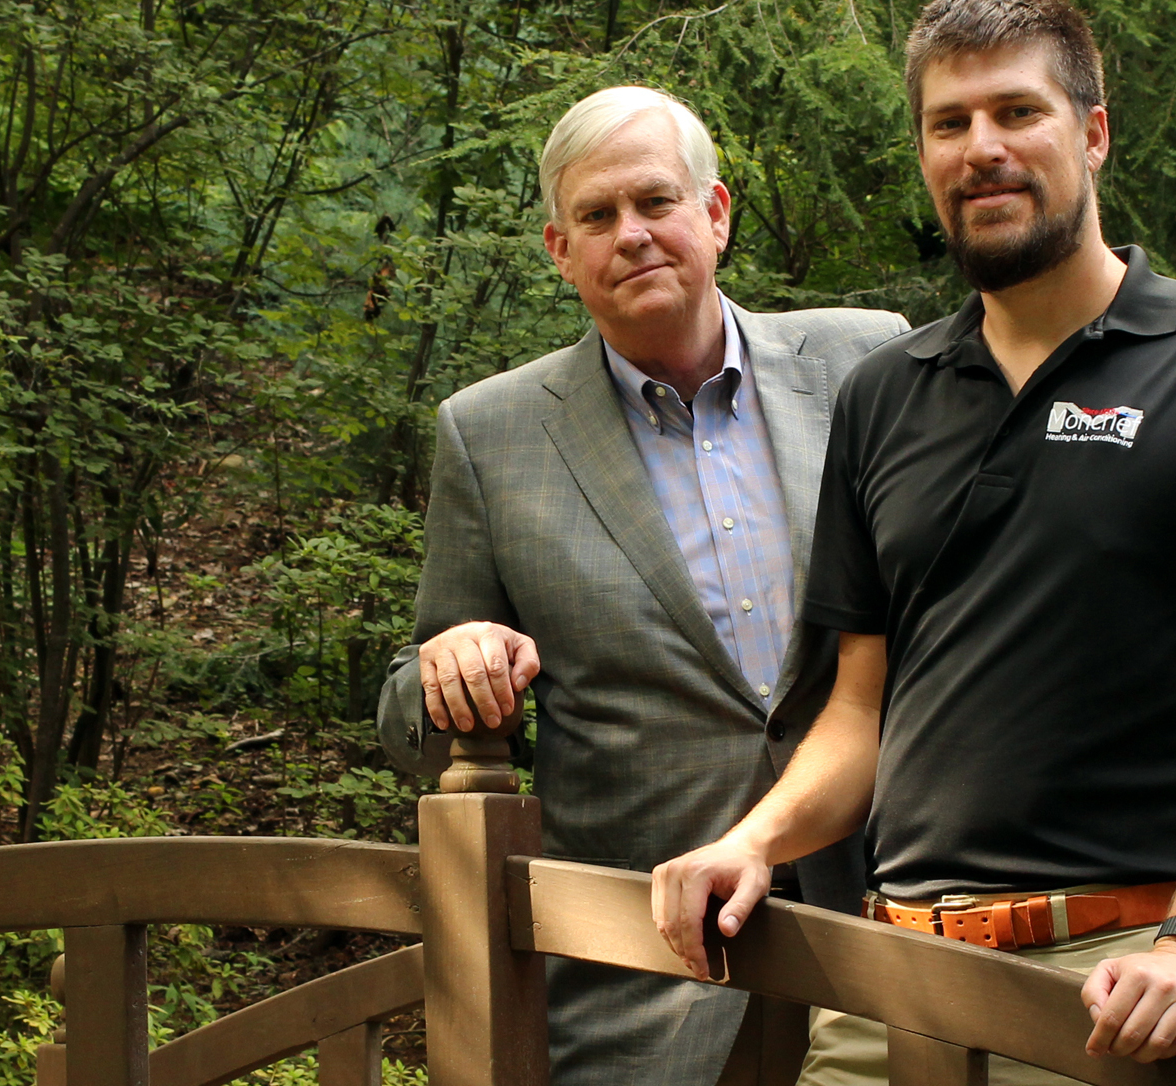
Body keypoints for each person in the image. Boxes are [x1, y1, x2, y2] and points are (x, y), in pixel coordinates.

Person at [651, 0, 1176, 1086]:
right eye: (948, 124)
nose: (978, 148)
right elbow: (858, 712)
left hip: (1121, 987)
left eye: (1014, 112)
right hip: (886, 989)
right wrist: (753, 838)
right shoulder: (884, 395)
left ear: (1090, 135)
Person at [376, 85, 907, 1086]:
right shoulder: (490, 437)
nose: (632, 234)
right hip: (648, 981)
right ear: (557, 249)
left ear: (714, 213)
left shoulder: (863, 362)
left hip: (885, 934)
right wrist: (443, 666)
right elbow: (414, 715)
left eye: (655, 202)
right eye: (596, 215)